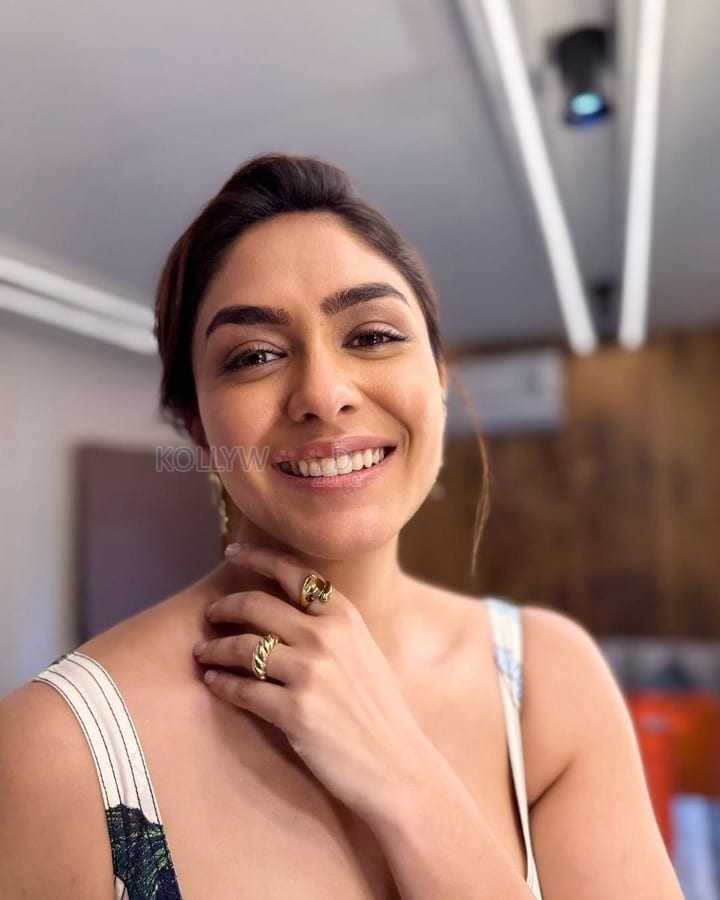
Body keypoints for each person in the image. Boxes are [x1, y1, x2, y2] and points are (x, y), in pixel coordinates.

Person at [0, 154, 683, 899]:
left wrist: (403, 777)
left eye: (373, 336)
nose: (324, 395)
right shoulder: (55, 748)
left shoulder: (550, 683)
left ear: (439, 382)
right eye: (255, 355)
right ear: (198, 428)